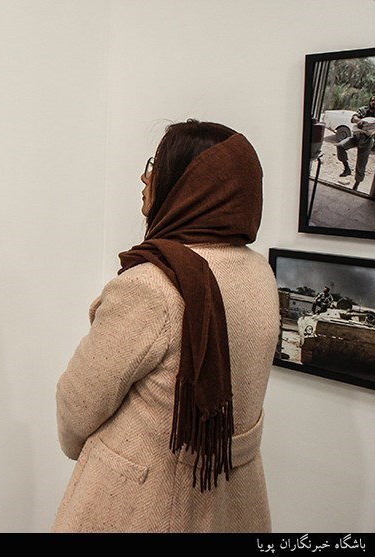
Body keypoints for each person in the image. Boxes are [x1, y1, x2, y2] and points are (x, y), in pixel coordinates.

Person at [52, 120, 280, 533]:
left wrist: (77, 446)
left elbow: (79, 406)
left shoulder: (151, 286)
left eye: (157, 165)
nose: (145, 177)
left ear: (188, 185)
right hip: (229, 505)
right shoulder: (259, 273)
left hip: (144, 507)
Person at [336, 95, 375, 190]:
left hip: (367, 141)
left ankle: (356, 185)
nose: (374, 102)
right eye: (373, 100)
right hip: (355, 137)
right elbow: (353, 118)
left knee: (361, 165)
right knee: (340, 146)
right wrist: (360, 121)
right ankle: (347, 168)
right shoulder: (364, 110)